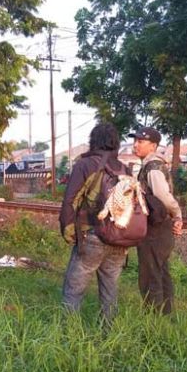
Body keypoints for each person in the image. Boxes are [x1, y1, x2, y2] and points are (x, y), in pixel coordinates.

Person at [59, 122, 131, 326]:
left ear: (94, 141)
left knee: (74, 289)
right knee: (110, 290)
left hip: (92, 235)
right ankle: (108, 332)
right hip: (119, 238)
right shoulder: (124, 168)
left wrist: (67, 230)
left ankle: (69, 333)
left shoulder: (85, 165)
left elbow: (70, 201)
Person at [130, 127, 183, 315]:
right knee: (161, 273)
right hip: (160, 229)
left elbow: (162, 195)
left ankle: (154, 321)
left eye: (141, 141)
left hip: (154, 229)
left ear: (153, 145)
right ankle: (166, 316)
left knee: (150, 276)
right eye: (135, 140)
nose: (136, 144)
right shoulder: (153, 165)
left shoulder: (152, 166)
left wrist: (177, 214)